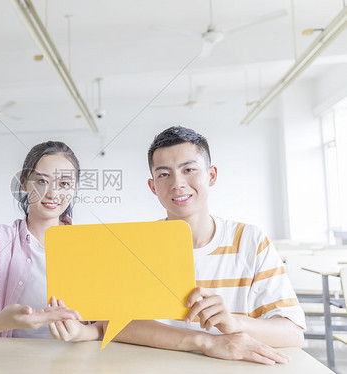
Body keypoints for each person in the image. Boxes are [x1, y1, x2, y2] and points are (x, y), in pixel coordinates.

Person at [50, 126, 306, 365]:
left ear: (212, 175)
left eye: (189, 169)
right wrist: (208, 342)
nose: (177, 183)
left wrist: (232, 323)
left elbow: (293, 333)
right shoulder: (138, 246)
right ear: (153, 186)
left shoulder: (250, 240)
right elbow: (119, 325)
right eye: (164, 174)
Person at [0, 141, 82, 342]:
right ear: (23, 182)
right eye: (41, 181)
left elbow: (107, 322)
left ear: (74, 189)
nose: (53, 194)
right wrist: (1, 322)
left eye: (64, 184)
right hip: (11, 360)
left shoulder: (87, 244)